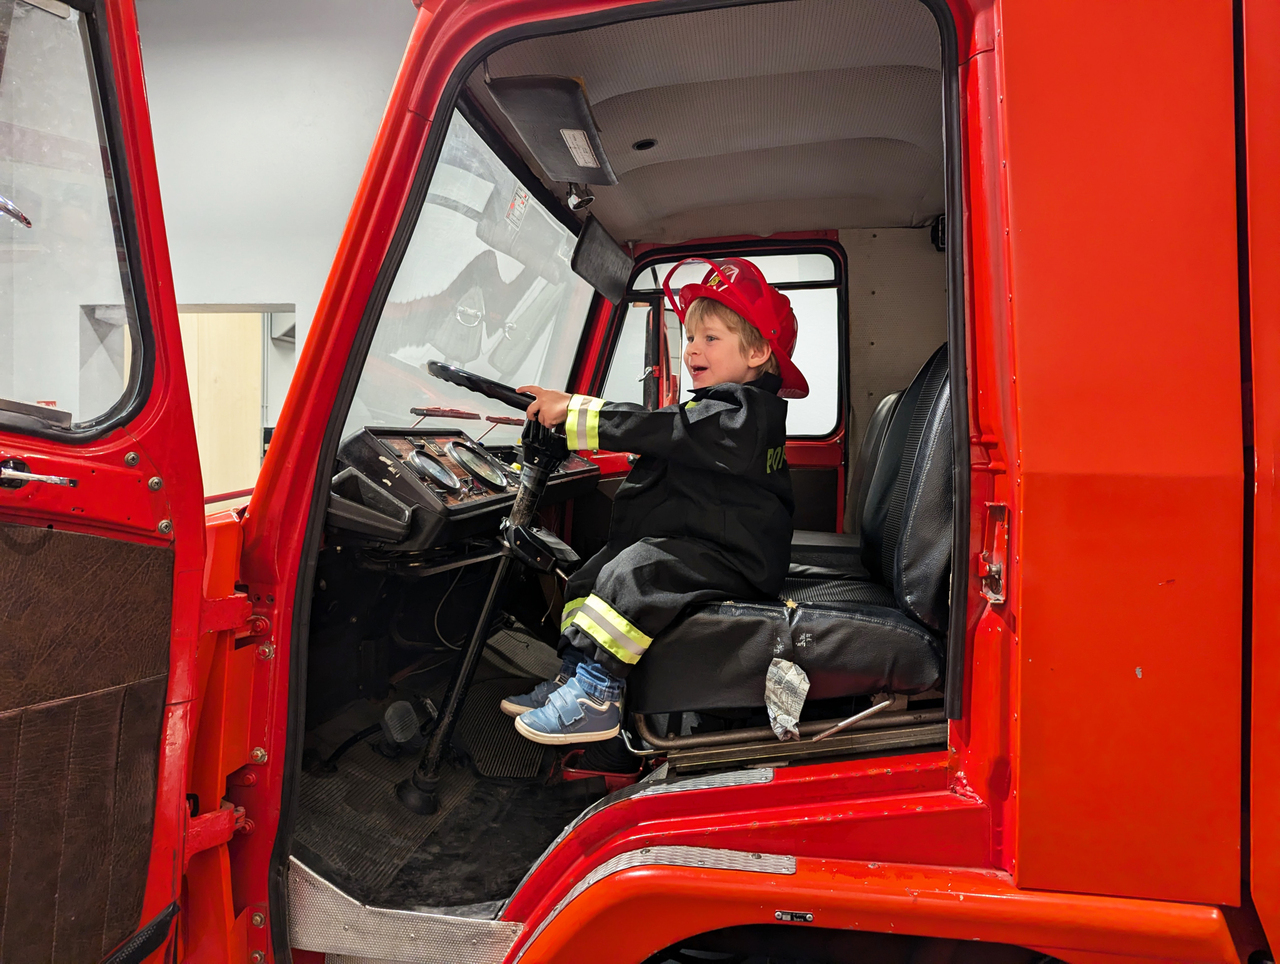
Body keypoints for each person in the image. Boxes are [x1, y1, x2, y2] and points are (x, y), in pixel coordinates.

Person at [503, 257, 809, 744]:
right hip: (712, 542)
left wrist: (577, 411)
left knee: (637, 572)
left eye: (710, 338)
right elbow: (671, 433)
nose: (692, 350)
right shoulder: (720, 408)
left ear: (756, 352)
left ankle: (598, 694)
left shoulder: (745, 412)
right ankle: (576, 674)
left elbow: (667, 429)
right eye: (690, 337)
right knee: (593, 573)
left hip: (739, 558)